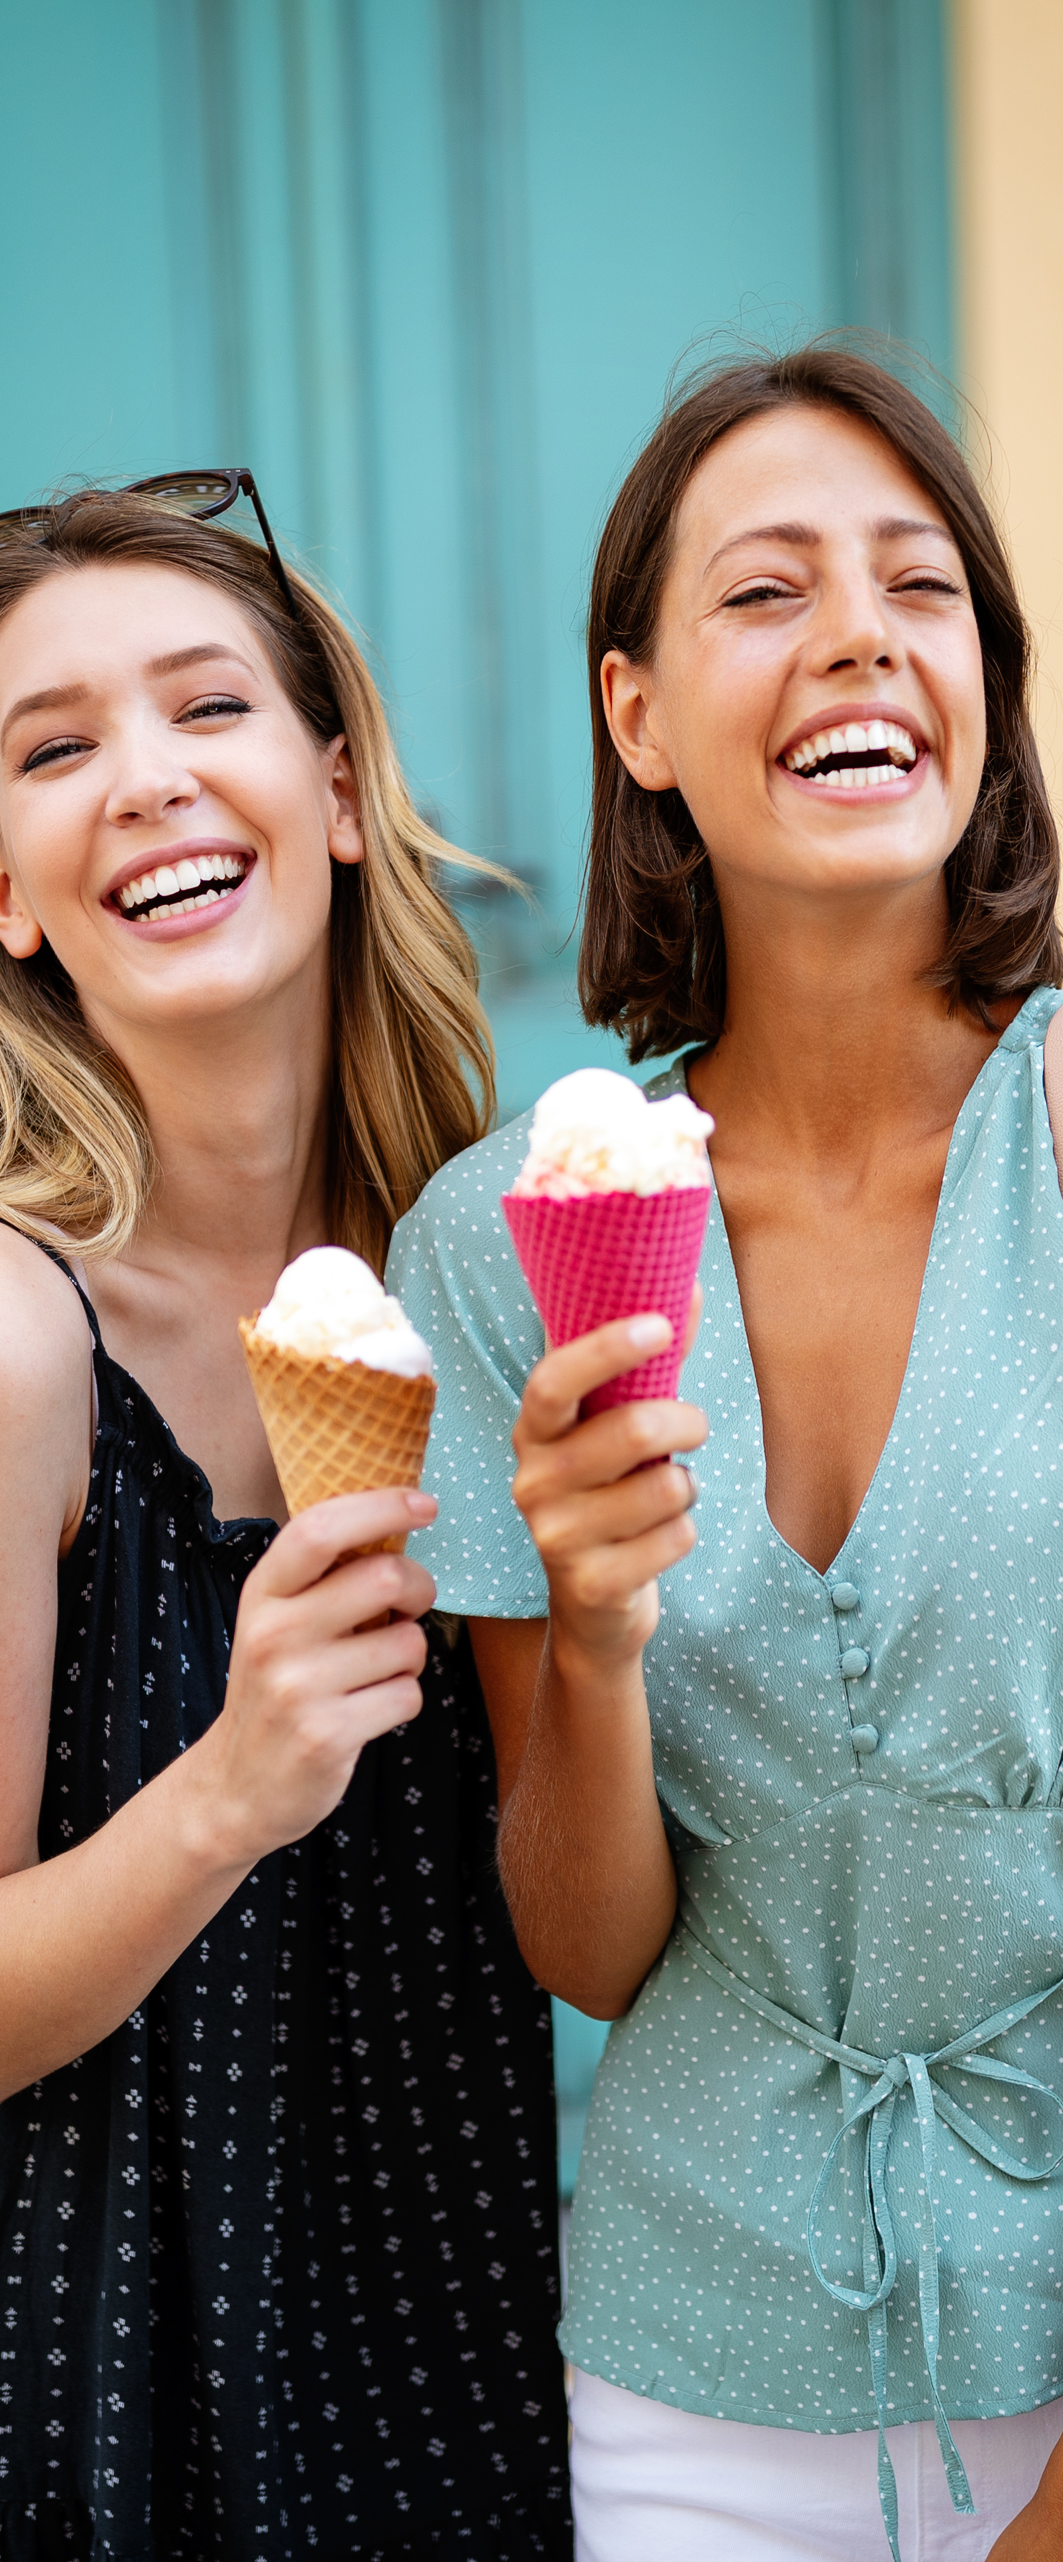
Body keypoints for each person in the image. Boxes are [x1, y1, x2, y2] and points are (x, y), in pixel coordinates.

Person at [388, 345, 1063, 2561]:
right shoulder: (514, 1245)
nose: (862, 632)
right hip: (688, 2382)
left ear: (986, 677)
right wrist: (589, 1636)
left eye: (921, 584)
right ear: (637, 717)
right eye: (765, 592)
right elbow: (590, 1949)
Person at [0, 478, 571, 2561]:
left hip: (465, 2372)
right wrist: (233, 1788)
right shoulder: (21, 1345)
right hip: (105, 2410)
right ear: (5, 886)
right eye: (53, 748)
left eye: (204, 706)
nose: (142, 780)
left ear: (335, 793)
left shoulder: (497, 1292)